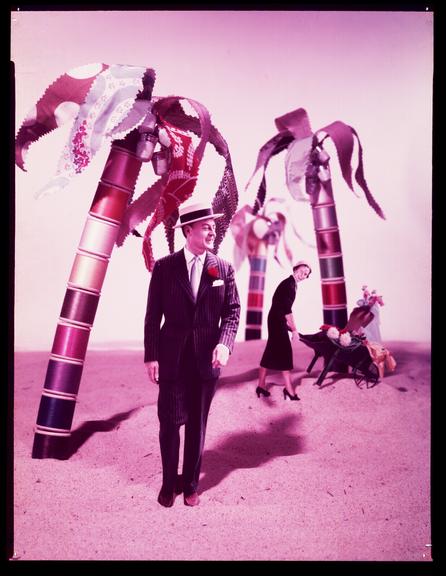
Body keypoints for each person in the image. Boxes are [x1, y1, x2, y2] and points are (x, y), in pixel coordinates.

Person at [144, 201, 240, 508]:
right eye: (205, 226)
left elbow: (233, 312)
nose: (212, 229)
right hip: (172, 359)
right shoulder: (164, 267)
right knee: (170, 424)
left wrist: (224, 344)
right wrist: (151, 355)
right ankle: (168, 483)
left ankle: (191, 485)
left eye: (213, 225)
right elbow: (152, 316)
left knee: (198, 425)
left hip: (206, 362)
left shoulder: (221, 268)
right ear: (188, 230)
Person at [256, 261, 311, 401]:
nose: (303, 275)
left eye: (306, 274)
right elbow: (286, 310)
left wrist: (287, 325)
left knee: (270, 351)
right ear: (295, 269)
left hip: (276, 319)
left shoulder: (291, 284)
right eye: (302, 271)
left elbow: (281, 307)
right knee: (285, 353)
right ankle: (289, 390)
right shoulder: (289, 285)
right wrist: (294, 330)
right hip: (277, 320)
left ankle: (261, 385)